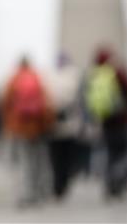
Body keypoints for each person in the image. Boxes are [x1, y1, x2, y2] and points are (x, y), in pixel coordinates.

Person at [84, 46, 127, 199]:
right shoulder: (116, 72)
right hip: (120, 119)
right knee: (121, 153)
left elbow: (86, 99)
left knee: (108, 152)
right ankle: (119, 184)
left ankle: (108, 185)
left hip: (104, 120)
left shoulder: (93, 75)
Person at [1, 56, 53, 207]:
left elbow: (4, 102)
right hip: (37, 127)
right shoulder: (37, 78)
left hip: (19, 127)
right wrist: (46, 123)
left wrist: (9, 123)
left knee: (23, 160)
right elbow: (47, 102)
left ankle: (25, 194)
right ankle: (37, 192)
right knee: (37, 160)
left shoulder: (14, 79)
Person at [44, 52, 84, 199]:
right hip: (70, 126)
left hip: (53, 125)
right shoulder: (75, 76)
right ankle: (63, 185)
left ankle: (57, 186)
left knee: (56, 158)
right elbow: (80, 103)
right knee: (67, 158)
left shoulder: (48, 77)